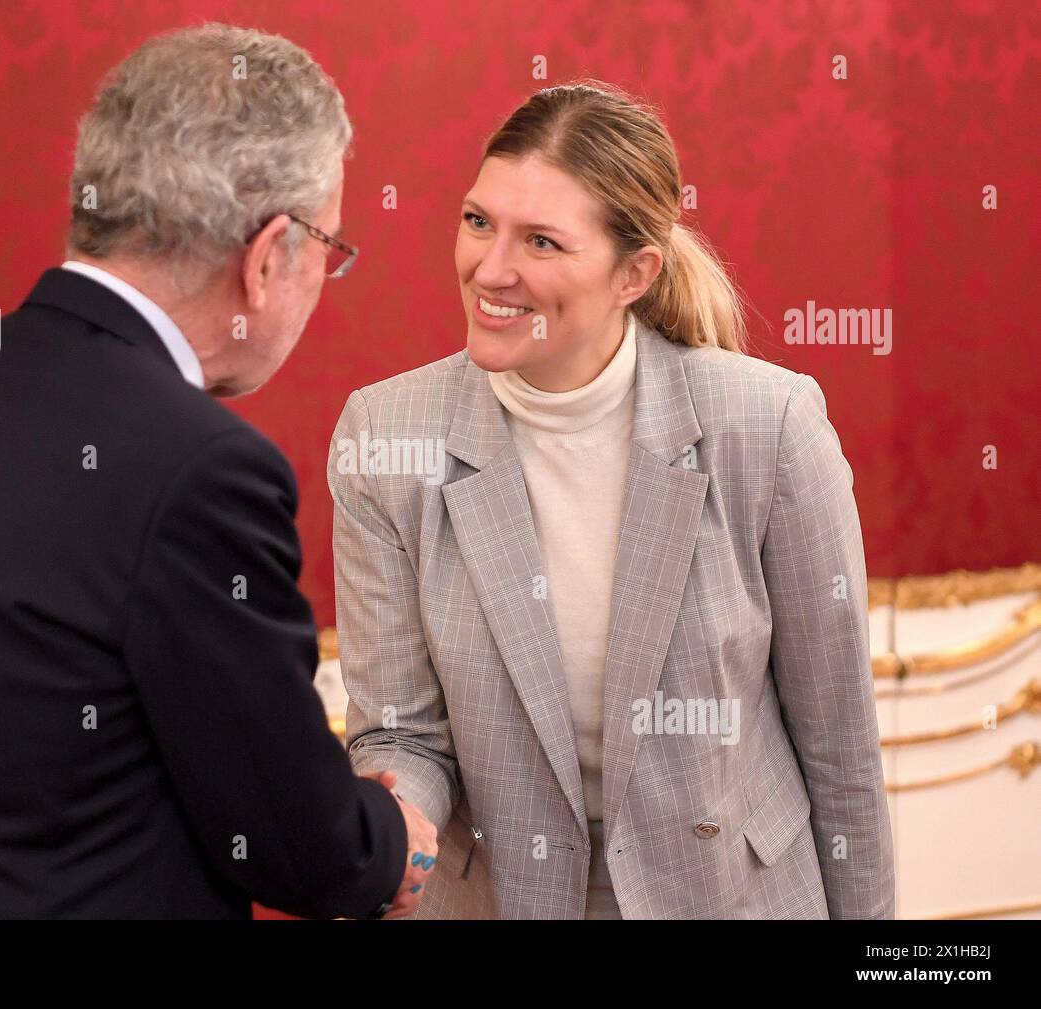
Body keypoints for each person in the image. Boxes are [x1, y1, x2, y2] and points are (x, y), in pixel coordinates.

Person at [0, 23, 435, 920]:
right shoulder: (202, 470)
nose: (323, 275)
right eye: (329, 248)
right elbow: (301, 845)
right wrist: (393, 835)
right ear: (270, 255)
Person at [328, 80, 894, 919]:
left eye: (543, 242)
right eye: (478, 221)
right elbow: (401, 732)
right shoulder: (385, 435)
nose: (490, 269)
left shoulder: (766, 425)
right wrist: (392, 807)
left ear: (636, 272)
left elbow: (841, 746)